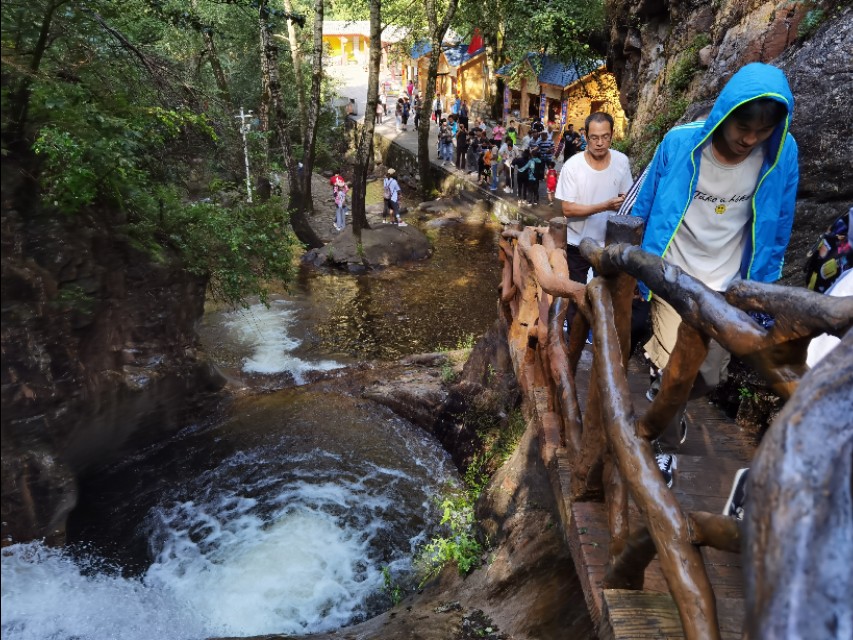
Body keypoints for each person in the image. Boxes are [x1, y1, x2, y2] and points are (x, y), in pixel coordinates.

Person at [630, 62, 799, 484]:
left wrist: (764, 288)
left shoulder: (782, 154)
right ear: (726, 111)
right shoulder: (680, 144)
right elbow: (642, 204)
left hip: (727, 289)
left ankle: (667, 406)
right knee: (675, 370)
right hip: (673, 277)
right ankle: (665, 449)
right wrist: (632, 267)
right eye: (744, 125)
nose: (749, 138)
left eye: (762, 130)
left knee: (706, 376)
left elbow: (779, 225)